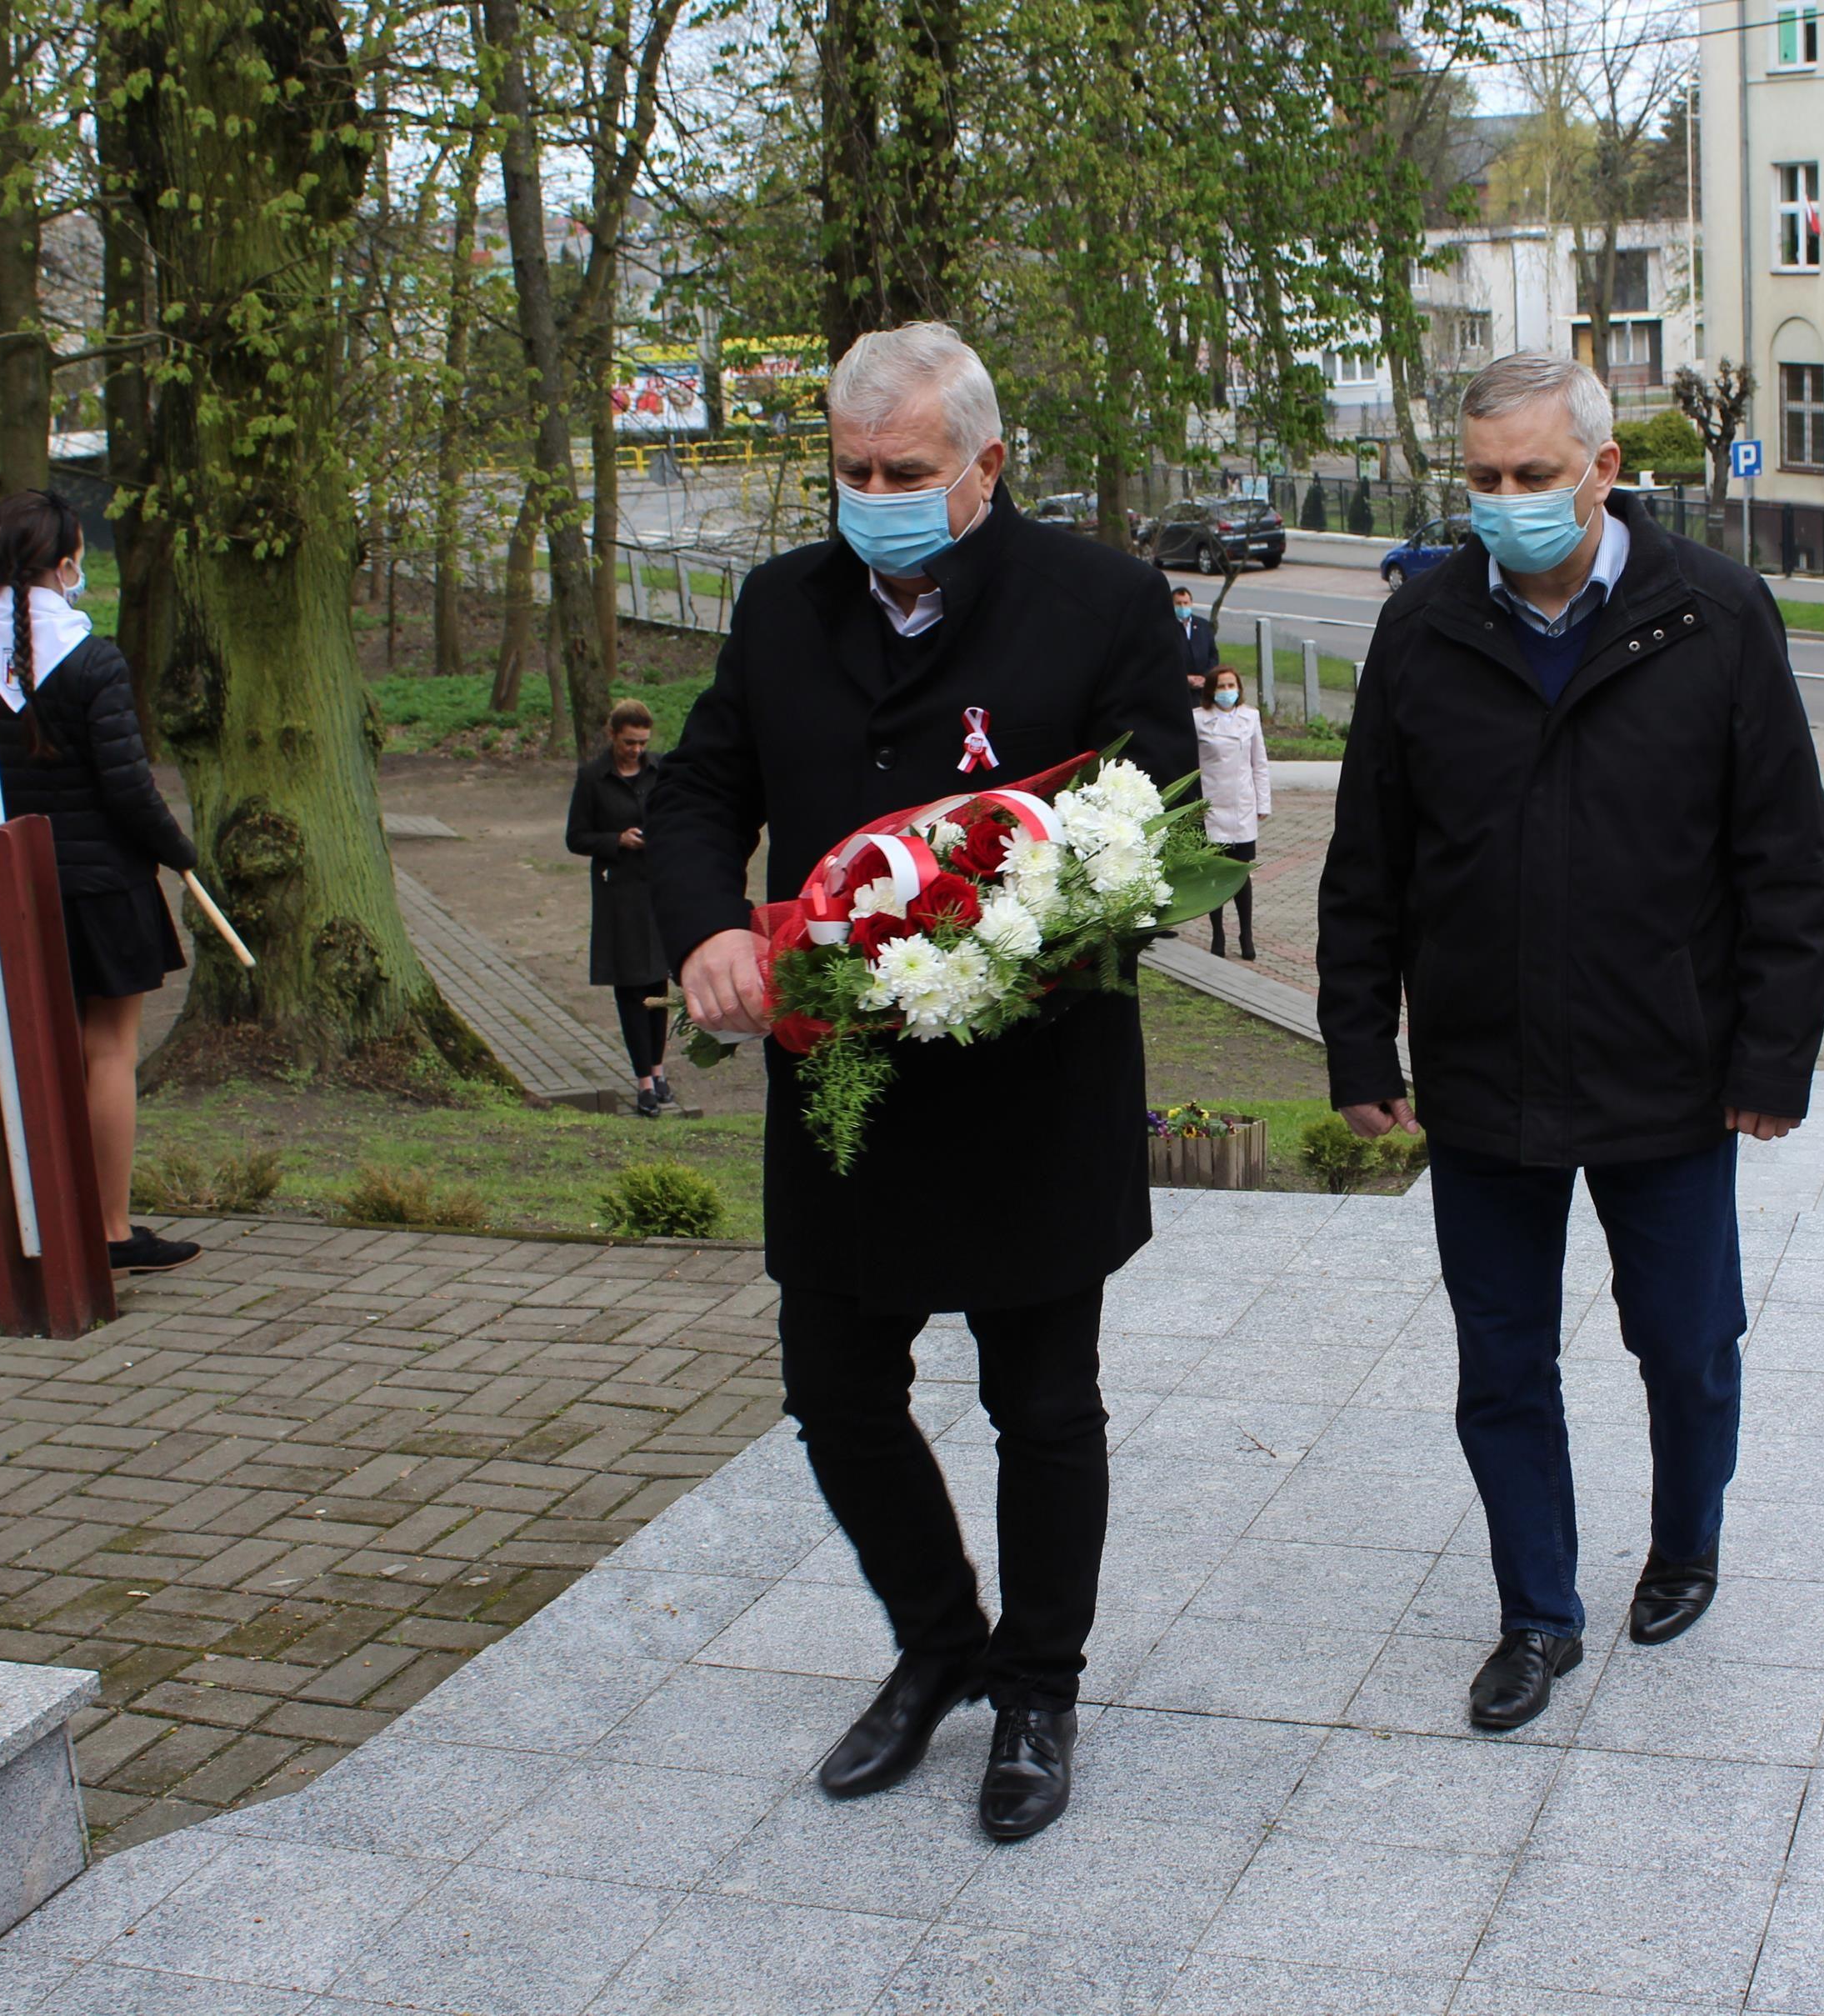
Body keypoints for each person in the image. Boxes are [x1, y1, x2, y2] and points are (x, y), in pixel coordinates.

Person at [649, 323, 1194, 1843]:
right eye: (852, 468)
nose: (875, 492)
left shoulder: (1096, 599)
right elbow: (701, 786)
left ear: (985, 466)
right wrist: (702, 921)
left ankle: (1037, 1685)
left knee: (1040, 1402)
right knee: (832, 1389)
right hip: (845, 1096)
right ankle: (939, 1634)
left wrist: (1008, 954)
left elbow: (1153, 825)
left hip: (1029, 1088)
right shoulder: (780, 606)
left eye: (907, 469)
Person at [1315, 351, 1824, 1734]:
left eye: (1531, 476)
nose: (1504, 503)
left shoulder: (1713, 614)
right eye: (1482, 480)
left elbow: (1784, 856)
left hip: (1664, 1068)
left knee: (1684, 1340)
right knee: (1500, 1362)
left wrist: (1770, 1058)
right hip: (1483, 1073)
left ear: (1602, 470)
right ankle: (1535, 1611)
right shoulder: (1423, 627)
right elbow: (1368, 854)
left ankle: (1683, 1539)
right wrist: (1359, 1042)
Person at [0, 490, 202, 1277]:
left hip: (12, 889)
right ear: (65, 562)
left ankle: (50, 1219)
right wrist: (180, 852)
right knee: (108, 1050)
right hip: (102, 886)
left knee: (43, 1047)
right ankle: (108, 1228)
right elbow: (128, 786)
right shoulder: (93, 657)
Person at [566, 698, 675, 1116]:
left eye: (643, 743)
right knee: (631, 985)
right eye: (629, 742)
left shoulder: (659, 771)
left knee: (658, 985)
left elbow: (676, 814)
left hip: (656, 888)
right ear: (613, 736)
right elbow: (576, 838)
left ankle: (661, 1070)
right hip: (619, 891)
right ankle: (643, 1079)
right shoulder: (592, 778)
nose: (636, 750)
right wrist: (617, 840)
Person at [1192, 663, 1270, 959]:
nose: (1227, 692)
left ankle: (1246, 934)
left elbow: (1258, 763)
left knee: (1240, 871)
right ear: (1211, 690)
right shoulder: (1199, 720)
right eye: (1221, 687)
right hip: (1212, 806)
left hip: (1241, 806)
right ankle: (1217, 933)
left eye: (1231, 686)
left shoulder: (1250, 718)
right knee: (1215, 871)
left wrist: (1263, 802)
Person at [1172, 583, 1219, 698]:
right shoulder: (1165, 628)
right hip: (1177, 690)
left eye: (1186, 603)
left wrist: (1205, 677)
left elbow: (1213, 655)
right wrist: (1184, 678)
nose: (1183, 607)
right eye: (1178, 603)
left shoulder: (1203, 625)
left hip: (1203, 689)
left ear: (1191, 603)